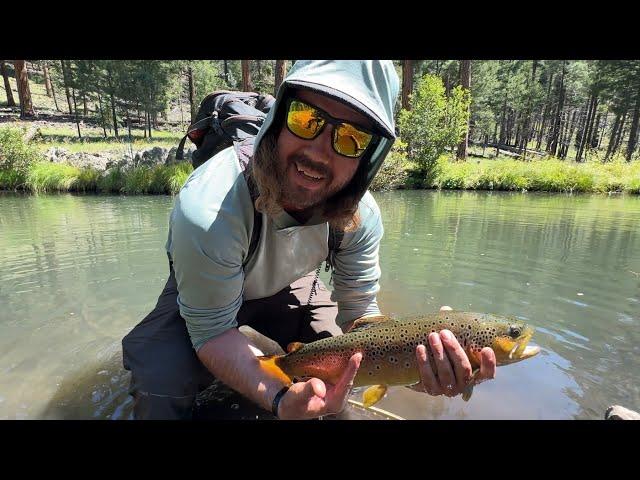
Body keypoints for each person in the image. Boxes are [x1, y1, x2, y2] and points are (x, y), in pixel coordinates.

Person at [121, 60, 496, 420]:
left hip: (289, 284)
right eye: (306, 119)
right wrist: (280, 397)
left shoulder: (360, 215)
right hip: (205, 294)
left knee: (335, 391)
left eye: (351, 138)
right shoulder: (208, 209)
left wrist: (417, 364)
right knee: (160, 385)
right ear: (278, 117)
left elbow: (362, 319)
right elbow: (212, 332)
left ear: (368, 157)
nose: (319, 151)